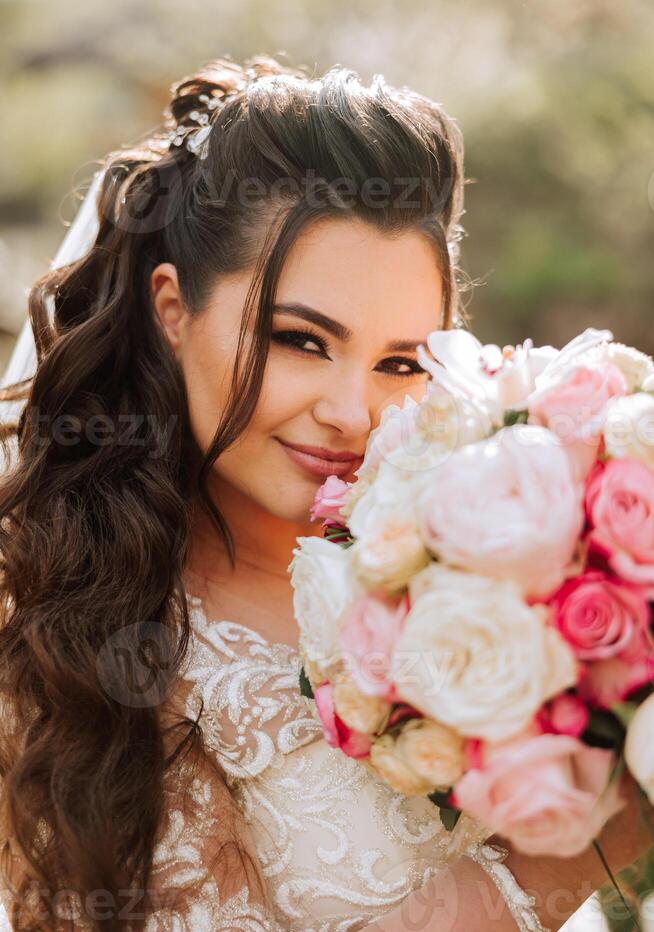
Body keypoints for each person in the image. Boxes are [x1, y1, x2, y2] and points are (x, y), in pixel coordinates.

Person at [0, 55, 649, 932]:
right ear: (171, 308)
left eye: (398, 362)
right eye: (301, 341)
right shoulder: (66, 633)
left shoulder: (485, 551)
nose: (352, 414)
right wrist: (597, 832)